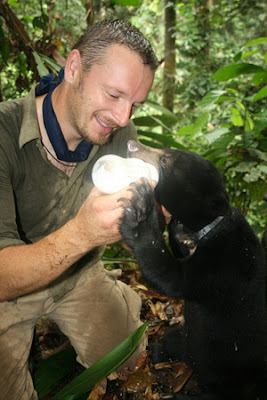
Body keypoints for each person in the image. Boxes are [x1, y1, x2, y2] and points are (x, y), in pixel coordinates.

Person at [0, 19, 159, 400]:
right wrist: (83, 233)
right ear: (73, 68)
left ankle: (120, 297)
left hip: (78, 274)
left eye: (135, 105)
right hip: (9, 289)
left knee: (129, 361)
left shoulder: (121, 135)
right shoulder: (5, 133)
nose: (123, 118)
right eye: (113, 95)